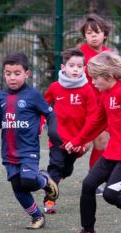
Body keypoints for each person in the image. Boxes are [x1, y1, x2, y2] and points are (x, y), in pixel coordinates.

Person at [64, 51, 121, 233]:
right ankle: (88, 229)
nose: (92, 82)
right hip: (112, 154)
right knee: (88, 185)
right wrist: (77, 140)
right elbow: (97, 121)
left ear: (109, 76)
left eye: (95, 78)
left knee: (110, 194)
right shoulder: (106, 94)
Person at [0, 52, 59, 229]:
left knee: (28, 181)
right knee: (18, 187)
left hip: (28, 150)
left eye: (17, 73)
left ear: (26, 74)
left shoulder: (33, 95)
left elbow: (50, 113)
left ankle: (44, 181)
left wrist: (53, 131)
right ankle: (37, 216)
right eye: (8, 73)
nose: (12, 77)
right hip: (9, 152)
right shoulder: (2, 97)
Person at [41, 48, 97, 214]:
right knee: (55, 167)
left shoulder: (87, 90)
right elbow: (43, 106)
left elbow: (93, 116)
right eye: (72, 65)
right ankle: (49, 200)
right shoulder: (55, 87)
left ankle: (52, 180)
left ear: (84, 69)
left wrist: (85, 139)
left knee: (67, 170)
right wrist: (40, 122)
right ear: (63, 67)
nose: (75, 69)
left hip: (77, 140)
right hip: (58, 140)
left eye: (79, 66)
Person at [78, 13, 112, 195]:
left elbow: (117, 80)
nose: (93, 35)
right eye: (89, 32)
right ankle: (57, 172)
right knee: (83, 147)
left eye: (97, 32)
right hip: (83, 107)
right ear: (85, 35)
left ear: (104, 35)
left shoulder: (110, 56)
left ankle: (95, 180)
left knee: (102, 143)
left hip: (104, 108)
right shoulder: (79, 54)